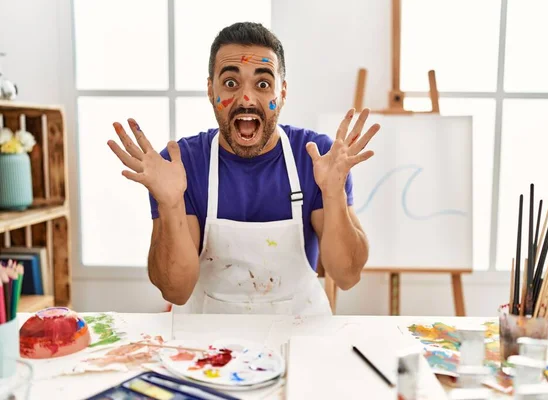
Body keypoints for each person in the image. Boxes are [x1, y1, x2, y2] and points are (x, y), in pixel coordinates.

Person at [107, 22, 380, 316]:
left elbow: (347, 276)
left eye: (263, 85)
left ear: (282, 92)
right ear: (211, 90)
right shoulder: (181, 164)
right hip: (206, 341)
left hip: (301, 333)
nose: (247, 99)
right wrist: (170, 204)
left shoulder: (317, 157)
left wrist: (333, 193)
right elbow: (176, 290)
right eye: (230, 83)